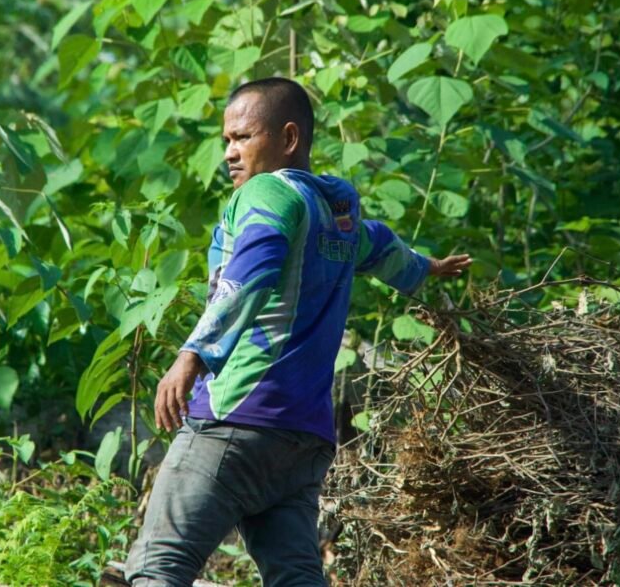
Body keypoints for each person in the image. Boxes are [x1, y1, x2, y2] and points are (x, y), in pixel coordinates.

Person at [124, 77, 472, 587]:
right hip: (302, 440)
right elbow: (380, 246)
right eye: (226, 140)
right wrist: (427, 267)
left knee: (157, 569)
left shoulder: (268, 192)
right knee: (297, 578)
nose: (230, 153)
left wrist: (191, 355)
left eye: (243, 137)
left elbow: (252, 271)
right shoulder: (336, 213)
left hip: (236, 419)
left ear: (288, 138)